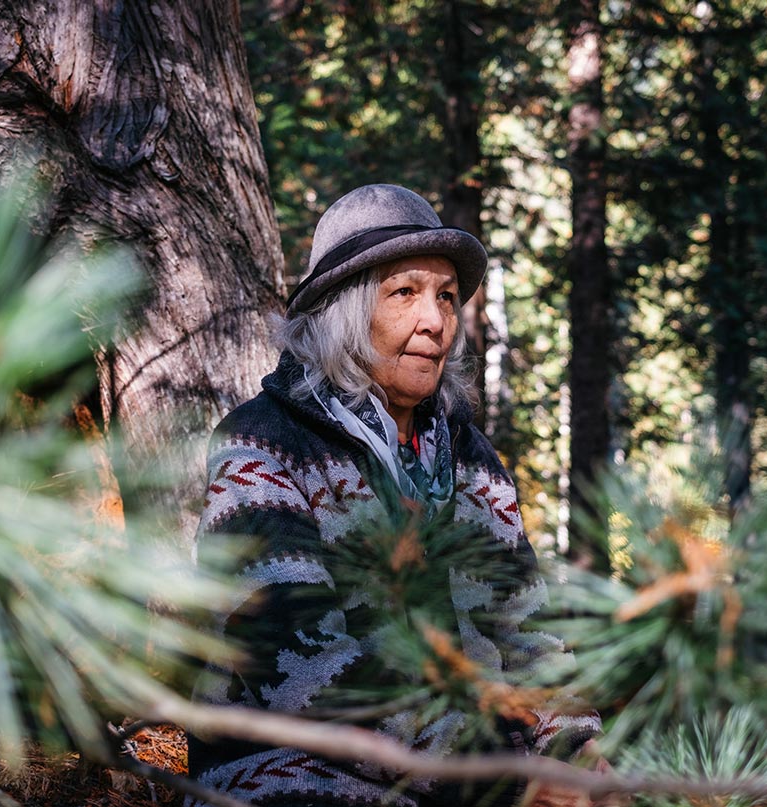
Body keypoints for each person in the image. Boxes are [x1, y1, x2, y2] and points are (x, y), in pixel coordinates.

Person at [186, 184, 601, 807]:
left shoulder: (472, 461)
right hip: (293, 763)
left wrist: (576, 751)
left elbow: (527, 632)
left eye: (446, 297)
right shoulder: (262, 443)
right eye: (404, 293)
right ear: (344, 310)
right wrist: (497, 776)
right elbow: (295, 662)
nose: (434, 320)